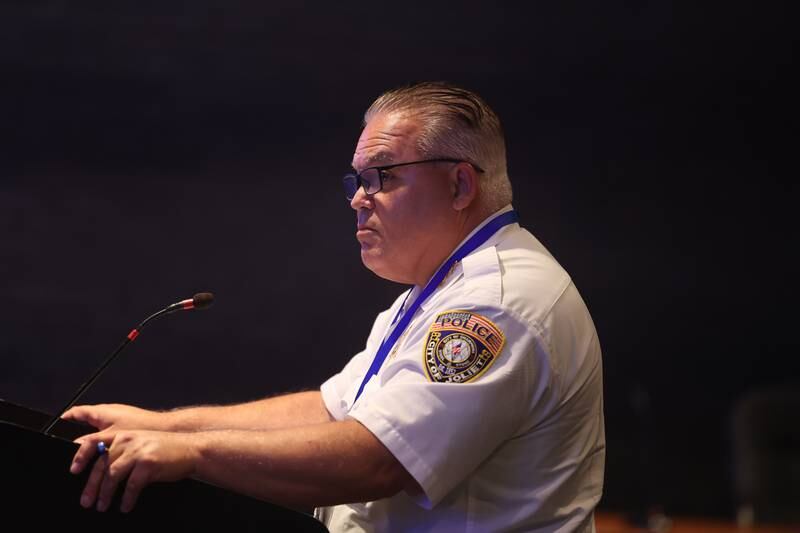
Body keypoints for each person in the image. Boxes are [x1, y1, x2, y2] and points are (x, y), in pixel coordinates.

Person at [65, 82, 605, 532]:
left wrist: (194, 456)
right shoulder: (441, 291)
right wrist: (167, 428)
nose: (357, 198)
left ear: (461, 183)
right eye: (357, 179)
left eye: (383, 176)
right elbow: (333, 411)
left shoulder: (496, 307)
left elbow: (375, 460)